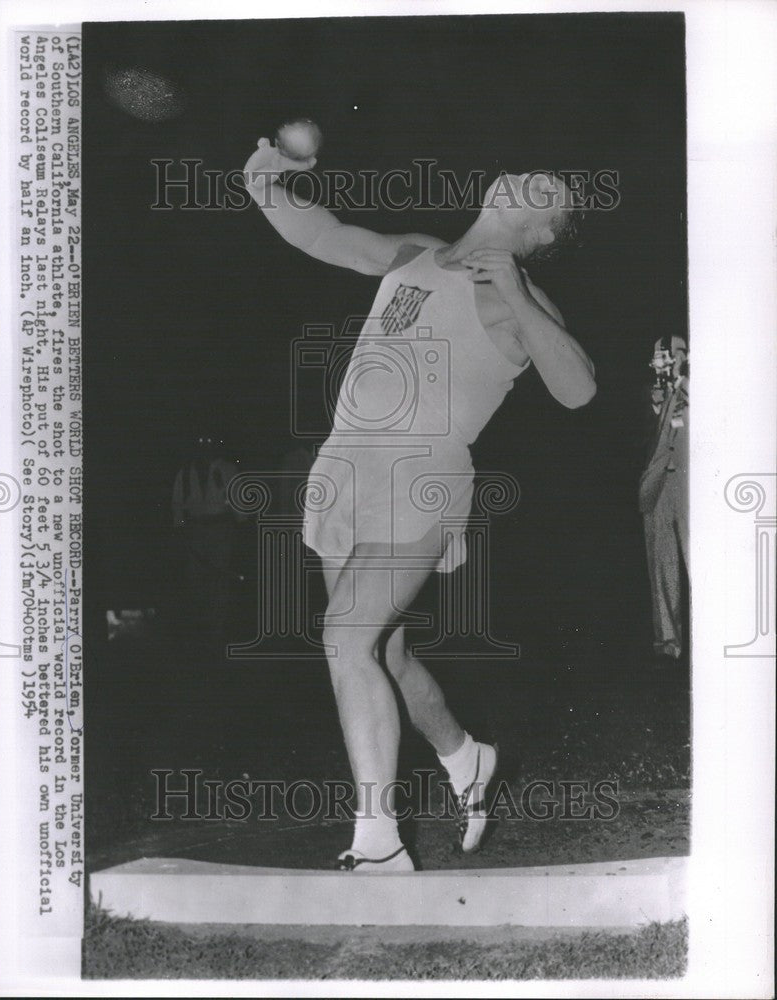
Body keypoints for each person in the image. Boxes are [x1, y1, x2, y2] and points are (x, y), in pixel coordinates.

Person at [244, 138, 596, 871]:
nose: (530, 175)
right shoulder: (416, 253)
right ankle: (465, 756)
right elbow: (322, 234)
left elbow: (579, 387)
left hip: (420, 476)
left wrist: (521, 292)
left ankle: (379, 845)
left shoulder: (515, 298)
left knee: (345, 638)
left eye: (547, 193)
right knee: (386, 652)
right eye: (530, 168)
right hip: (346, 464)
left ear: (542, 237)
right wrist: (265, 185)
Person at [639, 336, 689, 666]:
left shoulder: (694, 389)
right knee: (661, 565)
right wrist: (656, 406)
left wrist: (680, 389)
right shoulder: (653, 394)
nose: (658, 362)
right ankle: (668, 641)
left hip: (688, 485)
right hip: (658, 487)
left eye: (664, 356)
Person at [172, 433, 245, 655]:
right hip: (195, 531)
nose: (204, 447)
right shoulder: (185, 473)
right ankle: (198, 635)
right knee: (195, 582)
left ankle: (216, 635)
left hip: (220, 530)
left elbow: (239, 506)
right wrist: (183, 530)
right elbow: (177, 506)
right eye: (200, 442)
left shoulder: (227, 471)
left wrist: (239, 529)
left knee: (219, 579)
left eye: (209, 443)